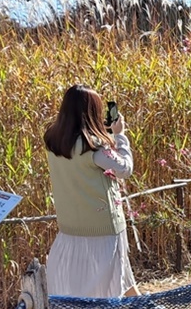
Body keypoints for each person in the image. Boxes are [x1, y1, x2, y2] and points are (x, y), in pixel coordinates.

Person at [43, 84, 140, 297]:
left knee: (117, 269)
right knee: (104, 275)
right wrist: (120, 135)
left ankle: (137, 304)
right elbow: (124, 168)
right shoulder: (94, 147)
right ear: (91, 113)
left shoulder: (54, 142)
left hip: (71, 224)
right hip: (102, 225)